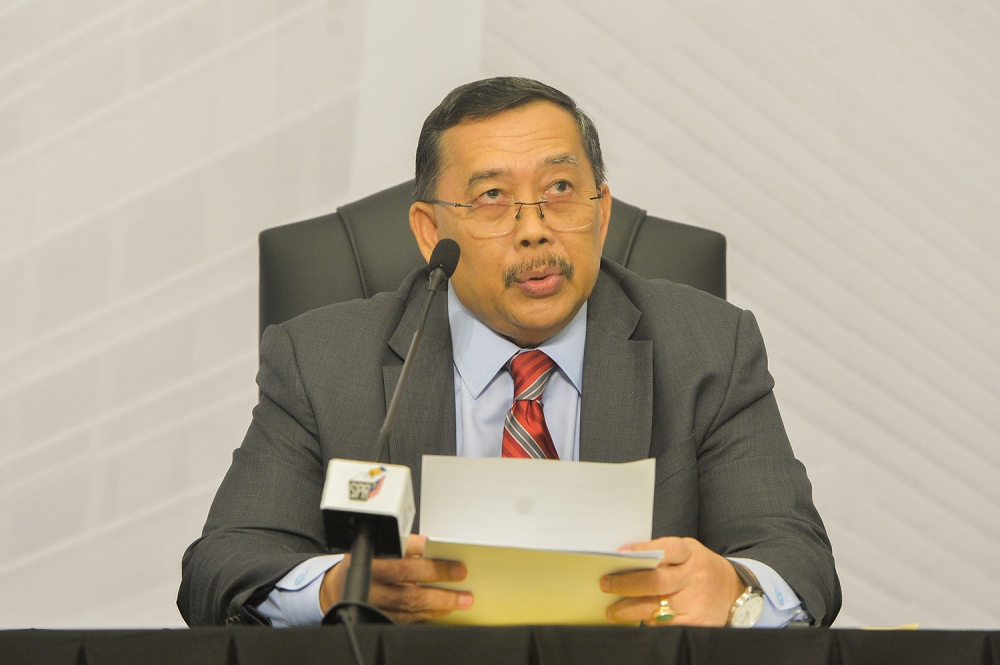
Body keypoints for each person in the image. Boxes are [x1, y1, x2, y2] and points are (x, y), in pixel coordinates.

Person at [178, 77, 840, 628]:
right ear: (430, 229)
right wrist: (337, 586)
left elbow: (799, 562)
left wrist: (736, 591)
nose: (534, 229)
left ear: (601, 212)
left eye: (559, 190)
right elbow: (221, 568)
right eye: (493, 198)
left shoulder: (708, 347)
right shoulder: (322, 360)